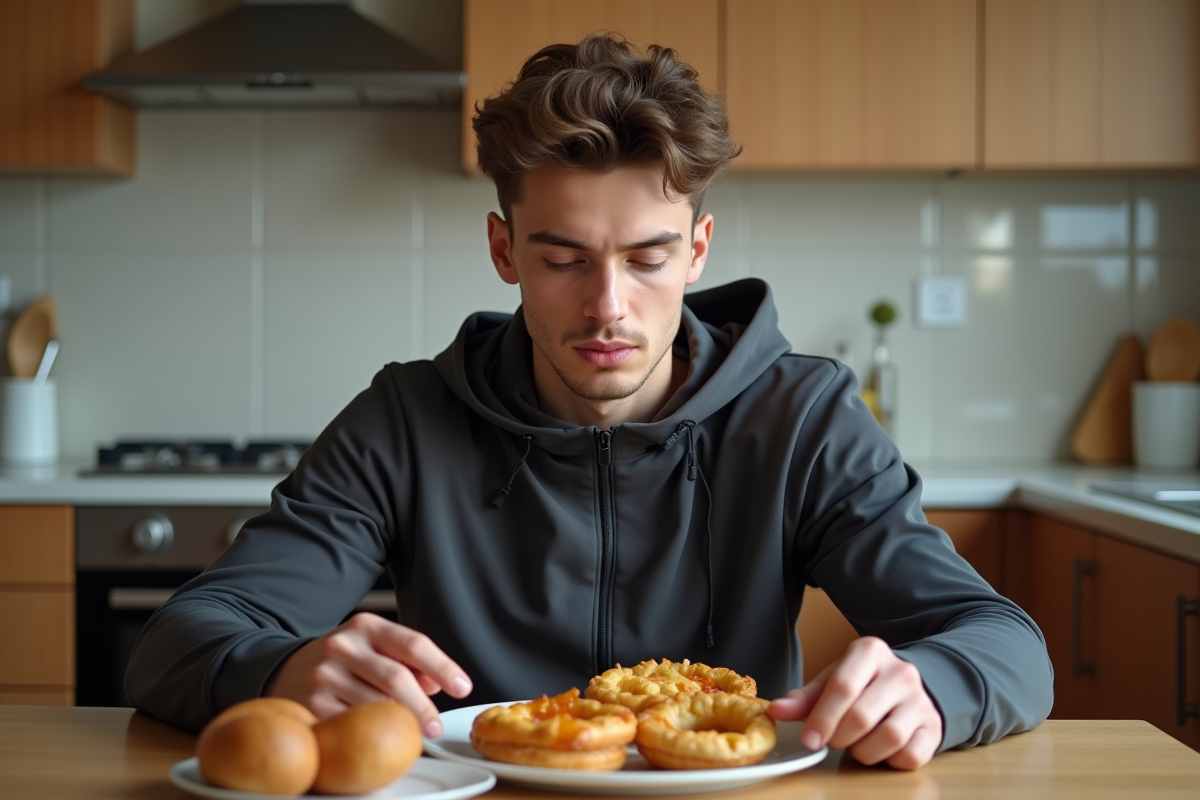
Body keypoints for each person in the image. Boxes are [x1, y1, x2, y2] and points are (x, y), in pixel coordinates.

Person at [126, 34, 1052, 770]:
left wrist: (934, 686)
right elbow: (177, 642)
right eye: (563, 259)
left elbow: (1004, 643)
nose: (607, 306)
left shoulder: (800, 418)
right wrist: (281, 665)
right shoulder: (405, 420)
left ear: (696, 252)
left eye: (648, 259)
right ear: (504, 251)